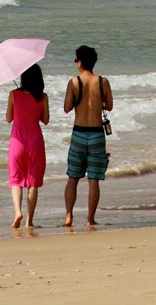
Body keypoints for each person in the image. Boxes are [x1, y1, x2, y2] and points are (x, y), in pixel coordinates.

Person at [62, 44, 113, 227]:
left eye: (76, 60)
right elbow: (109, 106)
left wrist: (77, 100)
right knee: (94, 179)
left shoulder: (74, 82)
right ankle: (90, 219)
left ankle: (69, 216)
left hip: (79, 133)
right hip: (97, 133)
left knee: (73, 178)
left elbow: (67, 108)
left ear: (80, 62)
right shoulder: (103, 82)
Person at [6, 63, 49, 228]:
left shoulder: (13, 94)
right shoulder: (42, 97)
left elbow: (9, 118)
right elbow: (45, 120)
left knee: (15, 180)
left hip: (17, 142)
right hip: (35, 142)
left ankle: (18, 212)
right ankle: (29, 221)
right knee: (33, 182)